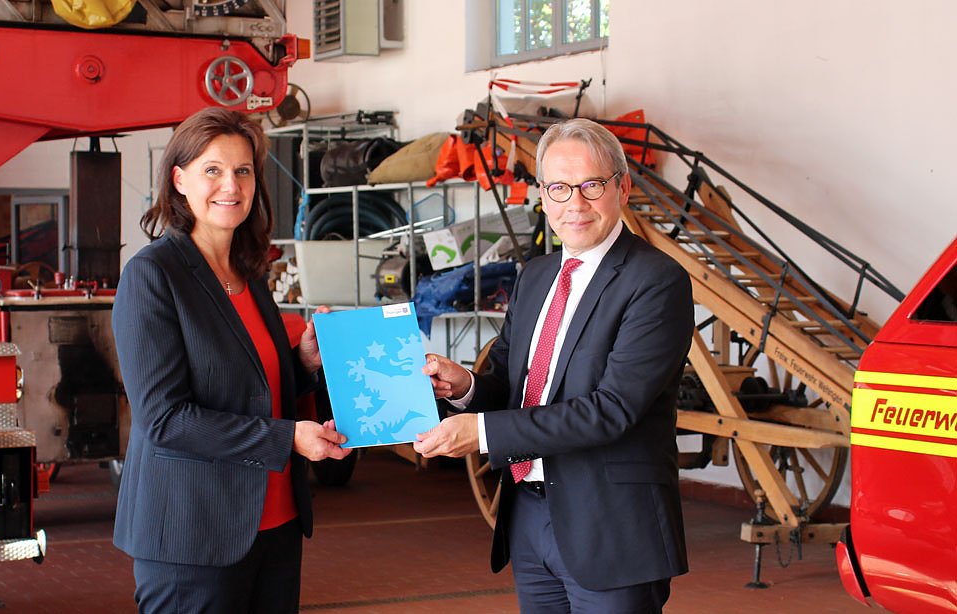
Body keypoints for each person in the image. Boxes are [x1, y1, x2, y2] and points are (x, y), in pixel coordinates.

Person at [414, 118, 694, 613]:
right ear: (543, 195)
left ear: (623, 188)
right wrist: (464, 386)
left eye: (592, 185)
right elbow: (510, 383)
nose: (575, 203)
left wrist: (482, 434)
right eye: (560, 188)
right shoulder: (537, 276)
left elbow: (611, 410)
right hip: (528, 515)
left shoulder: (656, 281)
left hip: (611, 528)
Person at [111, 106, 350, 614]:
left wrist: (304, 362)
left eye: (243, 170)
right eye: (212, 170)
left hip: (276, 523)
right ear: (179, 180)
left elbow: (251, 386)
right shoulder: (153, 275)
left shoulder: (248, 272)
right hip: (193, 533)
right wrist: (288, 438)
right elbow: (164, 419)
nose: (231, 185)